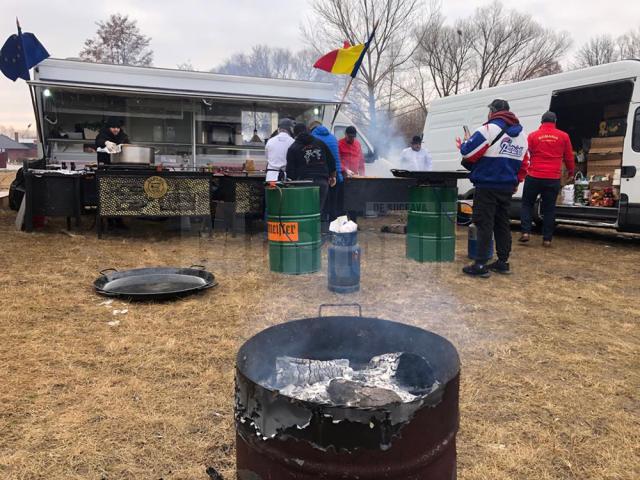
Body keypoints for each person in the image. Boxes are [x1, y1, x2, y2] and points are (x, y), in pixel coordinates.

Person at [457, 99, 529, 277]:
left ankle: (480, 264)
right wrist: (515, 183)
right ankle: (502, 262)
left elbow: (468, 152)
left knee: (483, 223)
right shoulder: (522, 136)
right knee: (502, 224)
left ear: (492, 111)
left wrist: (465, 143)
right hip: (506, 187)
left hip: (487, 185)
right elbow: (525, 164)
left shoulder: (488, 129)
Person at [520, 111, 575, 247]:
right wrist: (571, 171)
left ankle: (526, 232)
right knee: (549, 209)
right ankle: (547, 239)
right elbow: (568, 156)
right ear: (555, 121)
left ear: (541, 122)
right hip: (553, 177)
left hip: (534, 175)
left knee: (527, 204)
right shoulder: (564, 136)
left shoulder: (533, 136)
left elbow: (526, 154)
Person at [286, 123, 337, 228]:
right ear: (308, 131)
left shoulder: (293, 148)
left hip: (303, 183)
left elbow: (290, 171)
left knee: (304, 211)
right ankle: (315, 236)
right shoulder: (320, 143)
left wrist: (293, 183)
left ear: (295, 135)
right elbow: (332, 161)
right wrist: (333, 176)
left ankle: (305, 235)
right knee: (317, 212)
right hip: (322, 182)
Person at [310, 120, 344, 220]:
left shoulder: (313, 139)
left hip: (323, 175)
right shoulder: (333, 137)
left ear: (312, 129)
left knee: (321, 203)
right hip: (336, 174)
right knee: (333, 204)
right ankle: (333, 228)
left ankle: (321, 226)